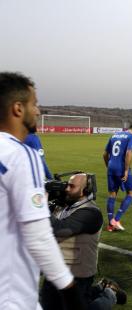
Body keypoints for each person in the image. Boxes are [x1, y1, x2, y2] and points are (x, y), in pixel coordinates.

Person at [0, 72, 82, 309]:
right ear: (17, 108)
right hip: (11, 294)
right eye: (34, 104)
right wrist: (70, 290)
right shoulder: (20, 154)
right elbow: (38, 235)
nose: (38, 111)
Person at [41, 173, 127, 310]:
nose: (66, 189)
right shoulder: (62, 205)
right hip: (55, 272)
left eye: (71, 186)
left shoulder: (91, 213)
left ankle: (109, 294)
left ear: (84, 191)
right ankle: (98, 288)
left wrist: (41, 205)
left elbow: (59, 229)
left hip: (78, 275)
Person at [103, 124, 132, 231]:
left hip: (111, 167)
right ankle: (116, 219)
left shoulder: (114, 135)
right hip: (121, 168)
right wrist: (126, 170)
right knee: (131, 193)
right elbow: (129, 153)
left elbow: (105, 154)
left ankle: (110, 224)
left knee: (112, 194)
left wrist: (108, 166)